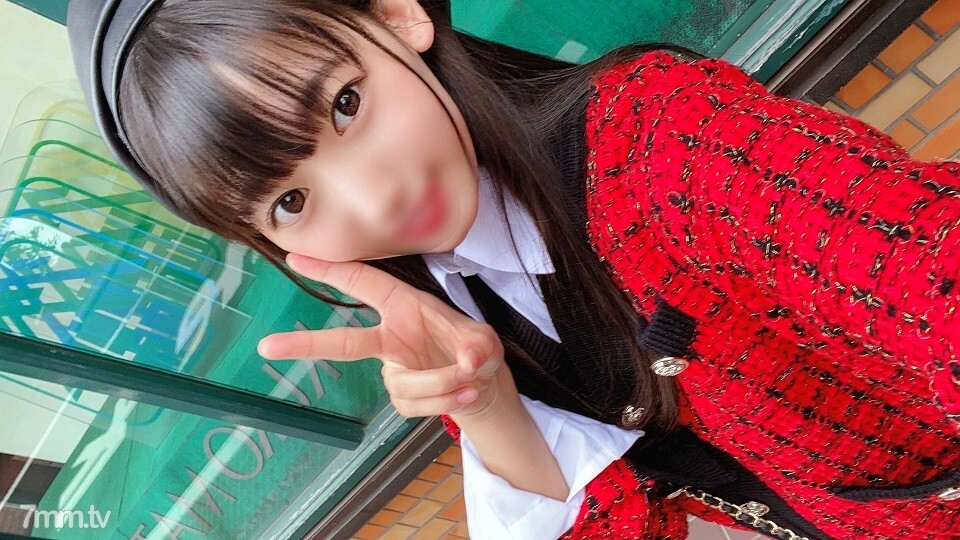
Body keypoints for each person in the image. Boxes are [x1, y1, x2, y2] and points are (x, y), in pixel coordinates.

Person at [67, 0, 960, 538]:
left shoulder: (664, 142)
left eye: (345, 104)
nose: (372, 202)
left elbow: (928, 266)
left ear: (396, 14)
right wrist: (490, 412)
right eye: (292, 202)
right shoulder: (446, 320)